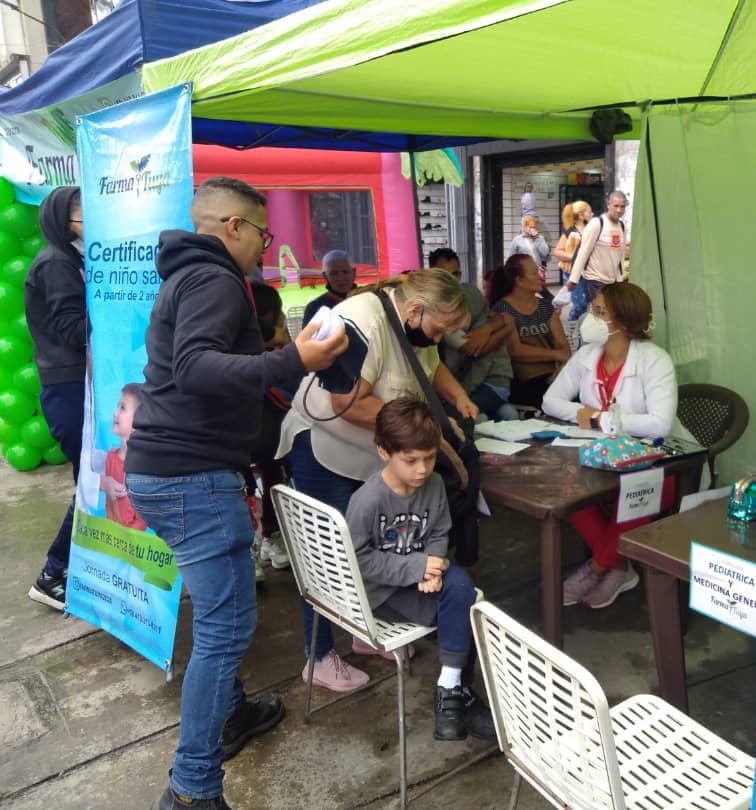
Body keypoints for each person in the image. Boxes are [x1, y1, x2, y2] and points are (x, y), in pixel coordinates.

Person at [124, 176, 348, 810]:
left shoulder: (185, 275)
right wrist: (294, 359)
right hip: (190, 475)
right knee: (226, 629)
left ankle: (231, 715)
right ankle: (192, 790)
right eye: (262, 233)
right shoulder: (216, 279)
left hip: (166, 470)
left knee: (216, 613)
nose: (263, 247)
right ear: (233, 228)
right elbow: (196, 367)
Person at [277, 269, 477, 694]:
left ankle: (364, 632)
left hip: (372, 451)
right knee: (328, 555)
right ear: (415, 310)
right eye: (439, 329)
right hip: (325, 449)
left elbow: (430, 366)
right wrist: (426, 431)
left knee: (372, 546)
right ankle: (320, 655)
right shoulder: (364, 319)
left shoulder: (416, 326)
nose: (439, 339)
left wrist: (456, 396)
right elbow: (345, 403)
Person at [346, 396, 494, 740]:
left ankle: (449, 685)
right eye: (410, 460)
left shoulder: (435, 485)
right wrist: (417, 568)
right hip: (383, 591)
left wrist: (433, 570)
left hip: (419, 577)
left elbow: (440, 531)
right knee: (465, 605)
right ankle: (458, 693)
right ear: (384, 452)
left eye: (429, 458)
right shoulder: (367, 501)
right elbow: (358, 561)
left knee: (459, 587)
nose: (422, 470)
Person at [542, 282, 685, 609]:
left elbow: (660, 423)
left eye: (599, 311)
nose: (590, 316)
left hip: (657, 461)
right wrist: (589, 416)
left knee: (638, 492)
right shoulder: (587, 355)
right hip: (601, 457)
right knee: (567, 486)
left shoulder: (655, 360)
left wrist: (601, 419)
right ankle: (619, 567)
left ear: (621, 320)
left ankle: (598, 566)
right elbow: (551, 401)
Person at [25, 186, 86, 610]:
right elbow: (72, 327)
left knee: (94, 482)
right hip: (67, 388)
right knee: (93, 485)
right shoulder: (55, 263)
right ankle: (52, 573)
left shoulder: (71, 260)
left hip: (74, 385)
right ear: (64, 219)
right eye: (85, 211)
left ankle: (80, 570)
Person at [429, 247, 517, 422]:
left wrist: (494, 328)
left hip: (490, 380)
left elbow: (497, 320)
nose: (451, 281)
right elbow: (472, 347)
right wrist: (505, 328)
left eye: (455, 274)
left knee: (468, 415)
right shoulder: (435, 309)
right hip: (467, 384)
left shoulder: (471, 294)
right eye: (444, 275)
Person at [247, 282, 292, 582]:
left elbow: (287, 347)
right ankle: (249, 548)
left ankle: (271, 537)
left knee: (274, 473)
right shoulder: (239, 345)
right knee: (244, 487)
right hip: (241, 434)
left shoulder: (276, 344)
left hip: (271, 430)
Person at [488, 255, 571, 408]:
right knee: (557, 402)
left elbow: (563, 344)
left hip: (551, 375)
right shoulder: (502, 309)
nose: (540, 276)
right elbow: (516, 351)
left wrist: (562, 364)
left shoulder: (545, 307)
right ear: (519, 280)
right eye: (534, 273)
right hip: (520, 381)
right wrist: (556, 355)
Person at [567, 191, 628, 303]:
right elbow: (583, 252)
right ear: (608, 204)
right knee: (600, 314)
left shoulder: (622, 225)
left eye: (622, 206)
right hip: (594, 280)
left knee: (610, 315)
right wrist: (573, 279)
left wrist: (620, 278)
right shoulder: (597, 223)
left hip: (612, 281)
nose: (619, 210)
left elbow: (620, 254)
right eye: (616, 206)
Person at [99, 382, 145, 531]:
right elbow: (109, 504)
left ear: (138, 421)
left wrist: (130, 538)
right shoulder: (111, 458)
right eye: (117, 406)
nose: (115, 413)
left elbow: (144, 515)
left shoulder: (143, 467)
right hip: (115, 538)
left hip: (136, 541)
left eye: (122, 408)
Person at [302, 249, 357, 327]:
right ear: (325, 276)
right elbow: (308, 338)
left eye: (345, 272)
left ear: (354, 273)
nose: (340, 278)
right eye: (334, 273)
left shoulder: (367, 301)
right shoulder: (314, 308)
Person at [553, 200, 593, 286]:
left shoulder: (591, 229)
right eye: (589, 212)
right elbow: (557, 252)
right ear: (581, 215)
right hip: (573, 273)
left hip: (588, 273)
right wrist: (577, 257)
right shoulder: (570, 231)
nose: (592, 214)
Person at [508, 216, 550, 281]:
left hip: (537, 271)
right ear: (524, 227)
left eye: (534, 227)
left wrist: (537, 238)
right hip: (523, 272)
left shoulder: (540, 238)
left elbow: (545, 253)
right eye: (530, 227)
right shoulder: (517, 240)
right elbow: (511, 258)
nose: (532, 229)